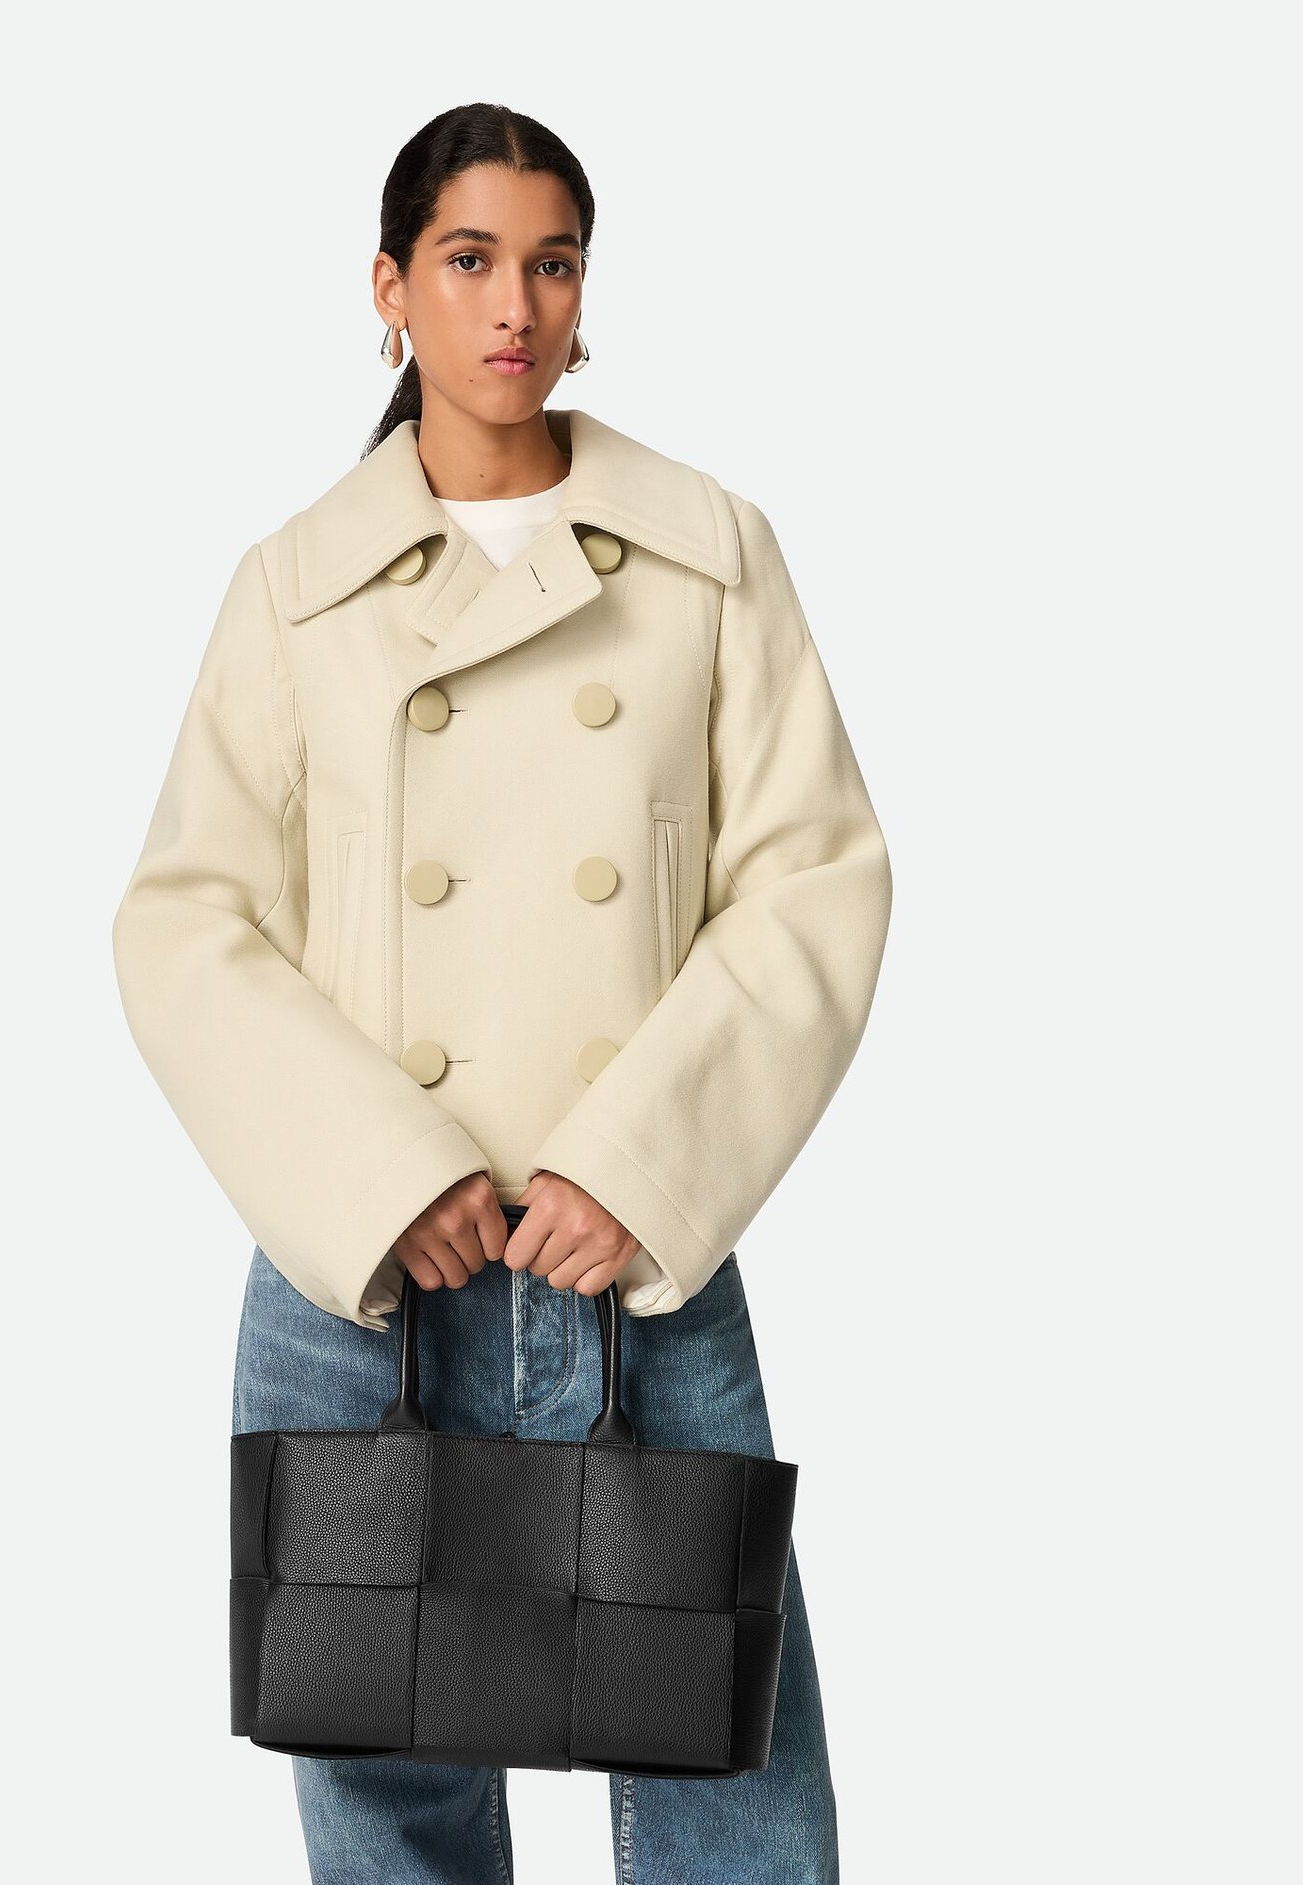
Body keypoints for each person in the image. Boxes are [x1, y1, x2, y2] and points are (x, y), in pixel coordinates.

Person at [112, 101, 892, 1885]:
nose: (513, 305)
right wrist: (383, 1177)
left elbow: (817, 876)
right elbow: (185, 920)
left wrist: (644, 1165)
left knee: (734, 1782)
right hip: (368, 1283)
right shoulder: (296, 590)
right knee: (383, 1799)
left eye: (552, 263)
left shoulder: (708, 555)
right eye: (468, 260)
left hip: (635, 1269)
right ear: (389, 288)